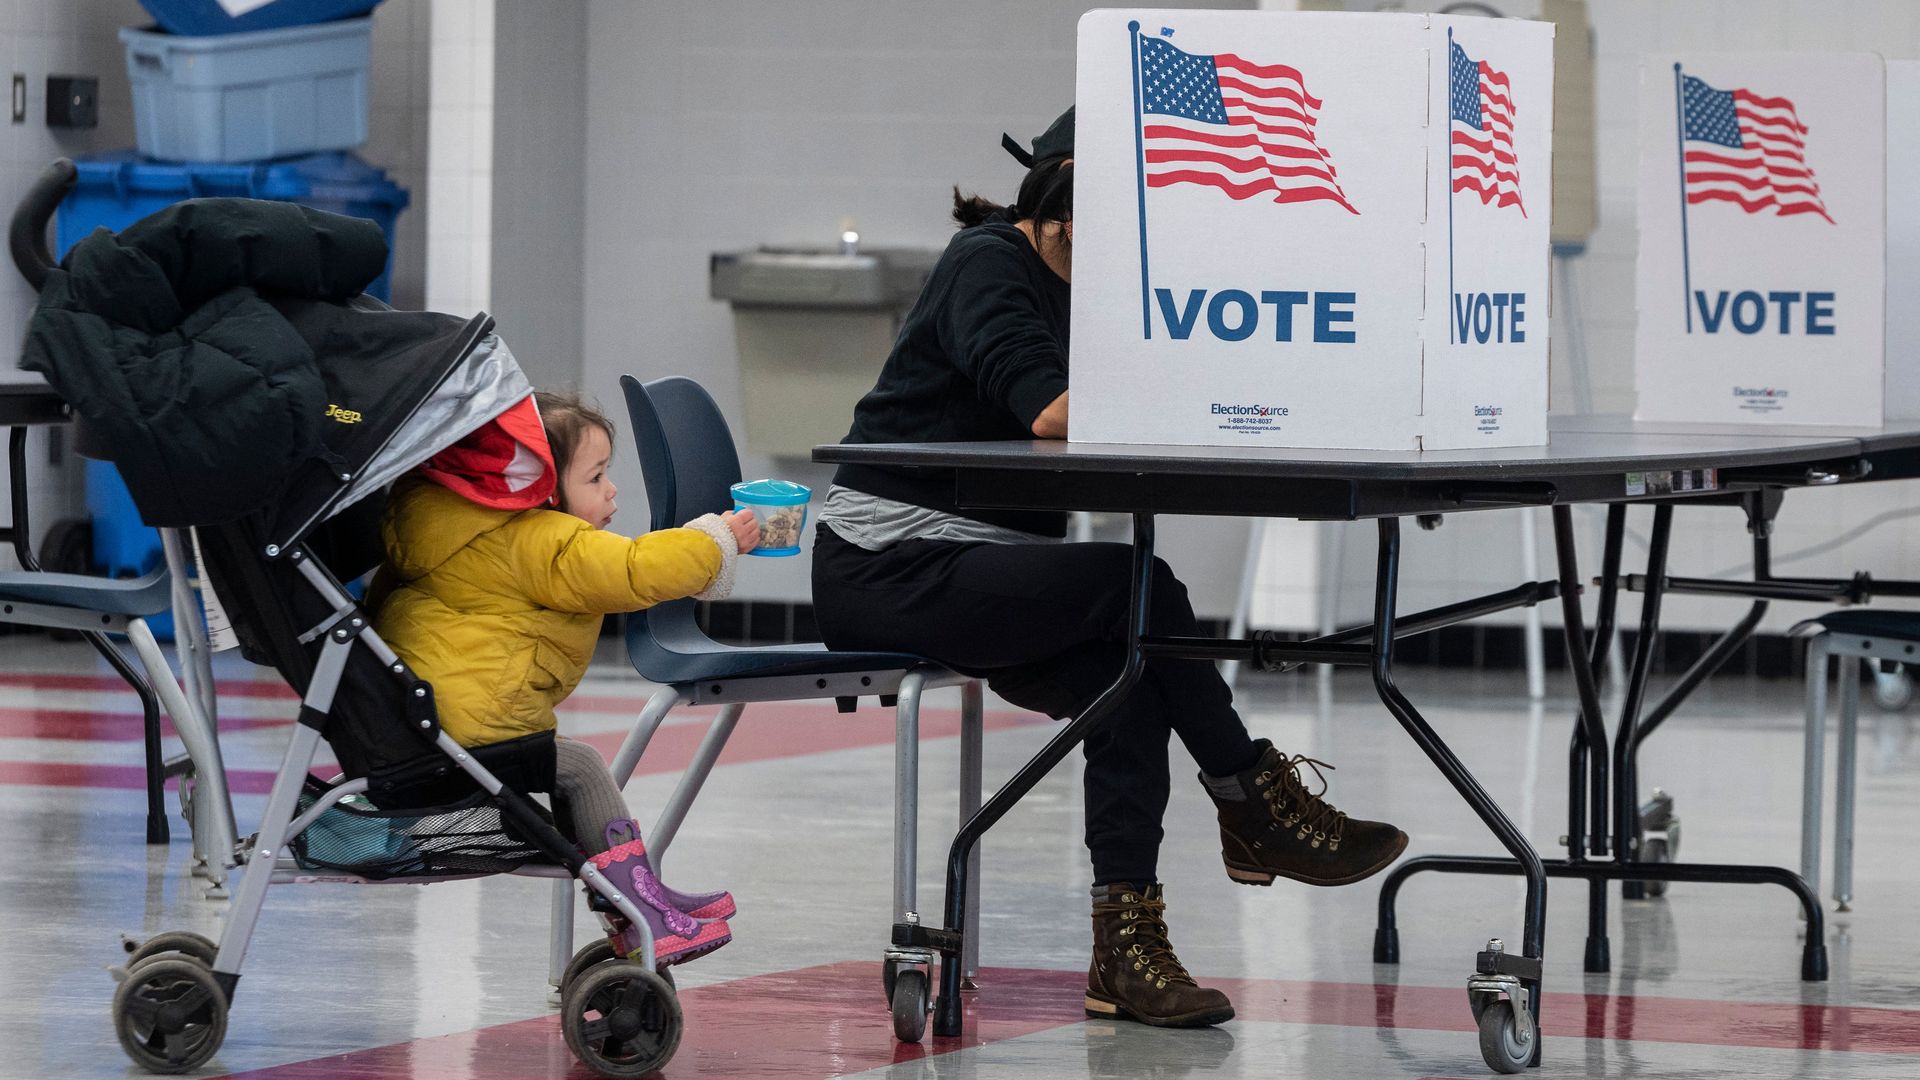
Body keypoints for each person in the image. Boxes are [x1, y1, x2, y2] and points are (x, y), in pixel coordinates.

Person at [811, 109, 1408, 1028]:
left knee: (1127, 680)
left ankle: (1124, 953)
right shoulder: (989, 263)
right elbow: (1047, 409)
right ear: (1057, 202)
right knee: (1142, 587)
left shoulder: (1084, 279)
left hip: (981, 561)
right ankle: (1254, 797)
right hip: (888, 561)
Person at [371, 391, 760, 966]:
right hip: (471, 725)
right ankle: (639, 911)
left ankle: (636, 896)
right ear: (539, 489)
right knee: (579, 769)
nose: (611, 491)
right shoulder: (538, 540)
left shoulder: (448, 524)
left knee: (574, 766)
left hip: (427, 712)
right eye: (596, 476)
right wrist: (715, 541)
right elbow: (631, 570)